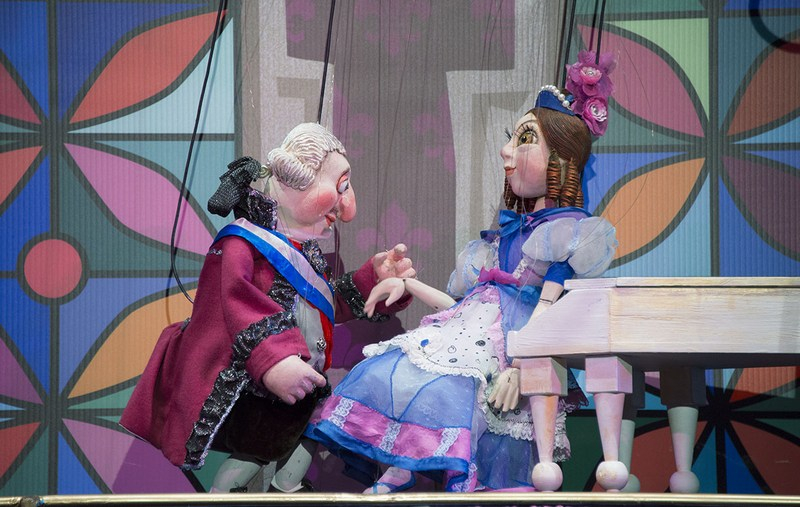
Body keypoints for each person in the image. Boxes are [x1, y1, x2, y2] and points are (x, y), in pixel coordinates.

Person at [305, 51, 618, 493]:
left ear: (560, 160)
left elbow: (548, 310)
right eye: (512, 138)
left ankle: (445, 466)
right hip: (472, 328)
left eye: (525, 140)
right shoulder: (500, 239)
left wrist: (523, 366)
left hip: (512, 338)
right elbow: (464, 304)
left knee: (456, 387)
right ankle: (405, 459)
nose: (507, 151)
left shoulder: (564, 234)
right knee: (402, 364)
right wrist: (407, 282)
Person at [119, 122, 416, 493]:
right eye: (341, 187)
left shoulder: (303, 250)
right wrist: (274, 360)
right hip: (258, 385)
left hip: (304, 383)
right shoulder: (241, 244)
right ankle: (224, 497)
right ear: (297, 180)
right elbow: (235, 305)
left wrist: (374, 281)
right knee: (258, 449)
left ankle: (287, 488)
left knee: (315, 428)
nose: (347, 207)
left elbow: (323, 304)